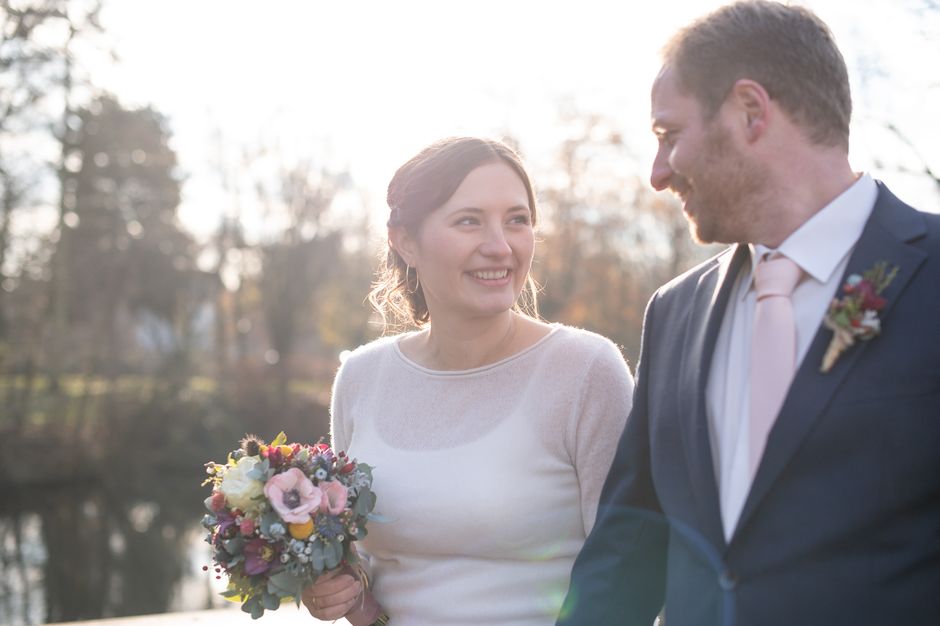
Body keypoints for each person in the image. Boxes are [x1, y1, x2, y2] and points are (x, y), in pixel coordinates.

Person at [558, 2, 940, 625]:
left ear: (750, 112)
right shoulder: (675, 312)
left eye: (668, 135)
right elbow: (629, 548)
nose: (657, 175)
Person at [301, 136, 635, 625]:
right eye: (469, 221)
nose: (500, 246)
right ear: (405, 240)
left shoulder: (587, 370)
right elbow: (365, 569)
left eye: (517, 220)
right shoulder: (361, 377)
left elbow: (626, 575)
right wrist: (336, 591)